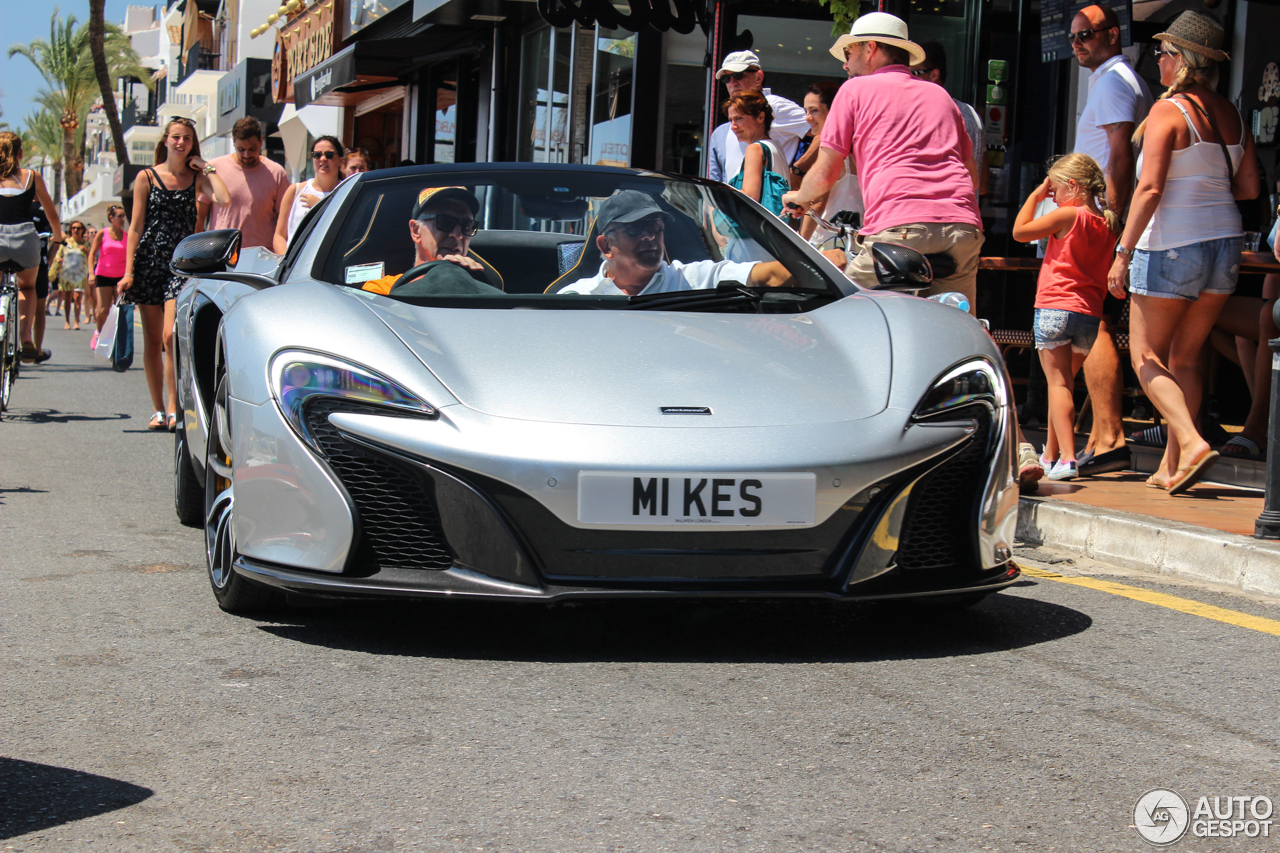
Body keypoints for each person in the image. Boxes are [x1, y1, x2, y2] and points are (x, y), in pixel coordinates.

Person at [1106, 11, 1259, 495]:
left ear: (1182, 59)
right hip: (1224, 244)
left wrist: (1122, 251)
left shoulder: (1168, 112)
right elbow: (1250, 186)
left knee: (1147, 356)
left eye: (1163, 53)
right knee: (1186, 358)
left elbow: (1149, 189)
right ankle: (1173, 466)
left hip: (1172, 242)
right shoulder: (1230, 111)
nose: (1158, 61)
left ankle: (1190, 442)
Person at [782, 12, 983, 309]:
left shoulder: (854, 90)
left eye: (849, 52)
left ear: (870, 48)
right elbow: (973, 178)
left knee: (847, 316)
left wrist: (799, 196)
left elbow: (825, 174)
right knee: (954, 326)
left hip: (901, 227)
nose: (845, 63)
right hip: (962, 228)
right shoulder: (940, 96)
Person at [1064, 4, 1155, 476]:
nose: (1077, 43)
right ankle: (1102, 434)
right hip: (1096, 214)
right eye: (1074, 36)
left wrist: (1111, 218)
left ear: (1113, 35)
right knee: (1087, 319)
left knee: (1090, 320)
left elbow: (1119, 155)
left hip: (1098, 217)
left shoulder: (1117, 80)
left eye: (1087, 35)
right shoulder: (1111, 79)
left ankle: (1110, 436)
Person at [1012, 154, 1121, 480]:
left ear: (1073, 186)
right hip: (1088, 315)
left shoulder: (1067, 215)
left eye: (1055, 189)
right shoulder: (1108, 223)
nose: (1052, 196)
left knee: (1057, 385)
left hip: (1055, 308)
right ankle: (1050, 453)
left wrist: (1034, 195)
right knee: (1063, 387)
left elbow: (1020, 232)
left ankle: (1069, 459)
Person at [118, 118, 230, 432]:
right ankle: (158, 410)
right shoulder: (147, 177)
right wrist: (128, 271)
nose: (181, 143)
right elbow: (135, 227)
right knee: (152, 341)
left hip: (180, 264)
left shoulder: (197, 178)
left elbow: (224, 198)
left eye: (187, 139)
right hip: (148, 262)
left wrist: (206, 167)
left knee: (170, 336)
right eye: (176, 137)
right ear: (166, 140)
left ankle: (174, 407)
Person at [560, 190, 797, 296]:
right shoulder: (576, 298)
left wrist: (825, 263)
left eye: (656, 227)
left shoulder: (692, 279)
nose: (650, 236)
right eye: (635, 229)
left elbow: (770, 276)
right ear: (605, 246)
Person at [361, 186, 498, 297]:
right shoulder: (381, 290)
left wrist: (472, 284)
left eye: (466, 226)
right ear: (416, 230)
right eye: (444, 222)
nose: (457, 235)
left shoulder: (482, 287)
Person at [0, 131, 64, 363]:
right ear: (20, 153)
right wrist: (57, 237)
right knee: (27, 288)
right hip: (24, 239)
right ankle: (27, 337)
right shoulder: (31, 176)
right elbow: (52, 214)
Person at [705, 51, 808, 186]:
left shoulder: (775, 105)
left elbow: (825, 134)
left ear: (758, 78)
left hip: (765, 202)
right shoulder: (721, 133)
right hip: (734, 203)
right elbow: (716, 180)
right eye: (726, 78)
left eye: (738, 75)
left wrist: (798, 170)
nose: (732, 83)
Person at [196, 117, 290, 249]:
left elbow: (285, 221)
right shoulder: (214, 168)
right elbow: (199, 217)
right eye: (241, 149)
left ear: (261, 142)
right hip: (220, 253)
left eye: (252, 149)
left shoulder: (277, 173)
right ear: (233, 143)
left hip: (260, 257)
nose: (246, 154)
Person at [913, 41, 984, 191]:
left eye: (914, 73)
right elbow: (981, 185)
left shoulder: (924, 115)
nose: (908, 79)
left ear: (934, 75)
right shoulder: (970, 114)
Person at [274, 136, 344, 253]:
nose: (323, 159)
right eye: (317, 155)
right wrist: (286, 263)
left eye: (329, 155)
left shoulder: (346, 191)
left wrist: (320, 206)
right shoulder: (295, 191)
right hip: (295, 266)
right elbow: (279, 235)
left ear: (340, 161)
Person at [724, 91, 788, 214]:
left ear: (760, 117)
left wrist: (715, 197)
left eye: (739, 118)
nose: (733, 126)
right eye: (730, 120)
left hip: (754, 230)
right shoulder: (775, 147)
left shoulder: (755, 148)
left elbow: (749, 197)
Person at [87, 203, 128, 349]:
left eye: (124, 216)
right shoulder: (102, 233)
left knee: (119, 310)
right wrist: (91, 273)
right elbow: (92, 253)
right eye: (119, 216)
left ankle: (115, 337)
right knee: (103, 309)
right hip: (103, 275)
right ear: (111, 218)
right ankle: (99, 332)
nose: (123, 219)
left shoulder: (126, 236)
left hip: (120, 278)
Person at [50, 221, 90, 329]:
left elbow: (92, 258)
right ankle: (67, 321)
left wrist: (86, 251)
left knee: (77, 298)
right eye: (73, 228)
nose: (75, 230)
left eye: (78, 228)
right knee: (67, 298)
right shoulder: (66, 243)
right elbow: (57, 256)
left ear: (82, 230)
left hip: (80, 274)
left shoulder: (86, 244)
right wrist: (59, 260)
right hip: (67, 273)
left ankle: (76, 321)